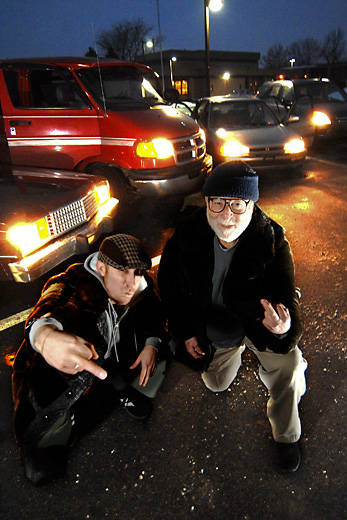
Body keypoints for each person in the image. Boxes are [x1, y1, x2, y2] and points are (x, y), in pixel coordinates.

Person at [158, 161, 307, 473]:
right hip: (216, 329)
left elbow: (286, 293)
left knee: (290, 366)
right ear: (207, 201)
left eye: (237, 204)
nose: (227, 215)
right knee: (215, 384)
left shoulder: (272, 240)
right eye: (219, 202)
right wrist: (185, 330)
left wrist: (283, 326)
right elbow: (168, 287)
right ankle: (233, 350)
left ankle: (287, 435)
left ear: (251, 204)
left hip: (257, 325)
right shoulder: (186, 236)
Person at [12, 234, 168, 485]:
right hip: (64, 388)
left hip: (109, 368)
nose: (131, 283)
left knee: (163, 348)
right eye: (122, 272)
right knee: (41, 471)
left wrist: (152, 345)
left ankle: (120, 389)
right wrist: (44, 336)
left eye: (137, 272)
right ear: (101, 267)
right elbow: (51, 305)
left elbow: (155, 312)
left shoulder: (139, 285)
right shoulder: (76, 286)